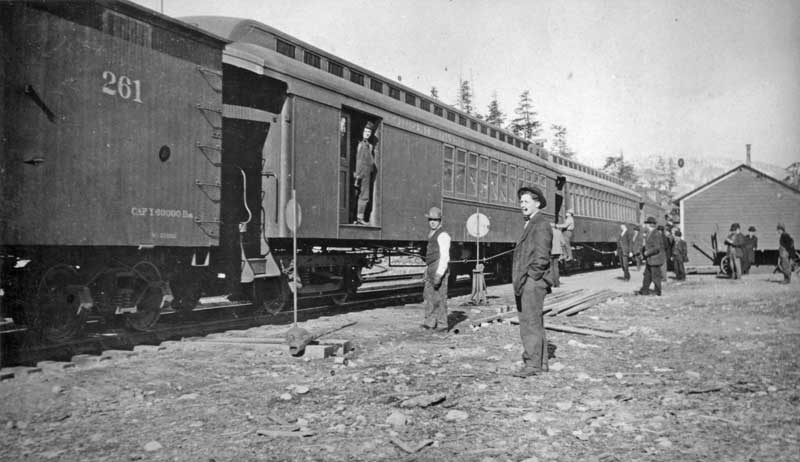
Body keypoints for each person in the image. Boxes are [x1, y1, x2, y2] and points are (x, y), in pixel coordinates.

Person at [511, 186, 552, 378]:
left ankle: (532, 364)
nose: (522, 205)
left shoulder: (540, 223)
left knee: (529, 322)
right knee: (535, 321)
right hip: (530, 281)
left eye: (526, 202)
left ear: (537, 203)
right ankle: (541, 362)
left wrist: (531, 278)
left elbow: (542, 257)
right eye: (521, 202)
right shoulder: (532, 222)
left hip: (532, 282)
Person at [421, 206, 451, 331]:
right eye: (430, 219)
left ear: (440, 221)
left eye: (435, 220)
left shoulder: (443, 235)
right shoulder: (432, 234)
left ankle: (443, 324)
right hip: (431, 268)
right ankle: (430, 322)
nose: (432, 222)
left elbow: (445, 257)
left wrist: (439, 274)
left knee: (440, 297)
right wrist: (427, 269)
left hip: (438, 269)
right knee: (429, 296)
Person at [353, 121, 377, 225]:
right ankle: (359, 218)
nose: (367, 133)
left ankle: (357, 217)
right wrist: (358, 175)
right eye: (366, 131)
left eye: (369, 132)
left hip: (366, 173)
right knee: (364, 196)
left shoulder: (368, 145)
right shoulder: (362, 145)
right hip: (363, 173)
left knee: (362, 196)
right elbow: (359, 160)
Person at [635, 216, 665, 296]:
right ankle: (644, 291)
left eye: (647, 223)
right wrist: (644, 255)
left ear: (650, 224)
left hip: (655, 259)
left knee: (656, 277)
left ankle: (658, 292)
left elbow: (657, 248)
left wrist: (647, 253)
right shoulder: (649, 233)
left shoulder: (656, 234)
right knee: (647, 277)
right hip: (650, 259)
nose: (645, 225)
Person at [550, 222, 563, 288]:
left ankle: (552, 283)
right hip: (557, 252)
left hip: (550, 252)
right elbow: (563, 243)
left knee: (550, 268)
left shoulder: (548, 233)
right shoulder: (559, 232)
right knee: (556, 267)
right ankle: (557, 283)